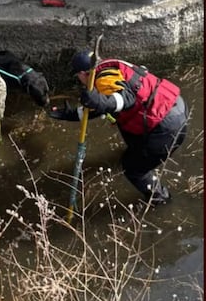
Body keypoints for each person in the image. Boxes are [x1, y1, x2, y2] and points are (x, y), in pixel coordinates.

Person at [49, 51, 187, 205]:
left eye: (78, 77)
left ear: (82, 73)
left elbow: (125, 98)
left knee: (132, 169)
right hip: (176, 107)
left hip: (165, 127)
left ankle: (161, 199)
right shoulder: (113, 67)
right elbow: (102, 105)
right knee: (126, 128)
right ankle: (140, 154)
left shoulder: (103, 80)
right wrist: (72, 114)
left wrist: (101, 102)